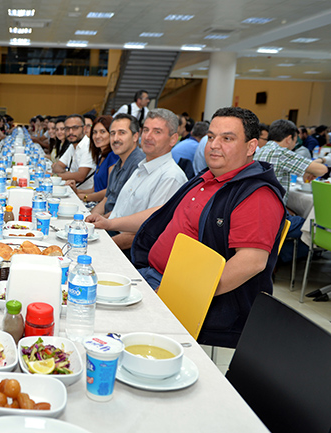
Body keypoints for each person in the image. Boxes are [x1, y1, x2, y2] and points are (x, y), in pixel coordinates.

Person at [110, 107, 286, 348]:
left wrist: (179, 295)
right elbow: (162, 213)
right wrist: (110, 224)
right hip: (152, 275)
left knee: (103, 328)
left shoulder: (256, 195)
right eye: (211, 137)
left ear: (251, 147)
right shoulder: (207, 177)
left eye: (227, 138)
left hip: (193, 303)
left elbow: (252, 262)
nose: (214, 145)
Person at [87, 108, 187, 250]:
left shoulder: (170, 177)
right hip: (112, 235)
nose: (148, 136)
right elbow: (120, 212)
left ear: (173, 139)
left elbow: (147, 231)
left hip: (129, 250)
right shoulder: (142, 167)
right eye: (146, 130)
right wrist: (97, 222)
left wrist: (102, 246)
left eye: (157, 132)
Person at [253, 119, 328, 263]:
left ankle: (276, 255)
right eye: (295, 139)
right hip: (272, 218)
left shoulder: (262, 150)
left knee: (297, 215)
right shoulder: (281, 152)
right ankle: (280, 257)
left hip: (259, 212)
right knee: (312, 227)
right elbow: (322, 170)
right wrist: (322, 161)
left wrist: (308, 169)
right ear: (289, 139)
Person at [90, 113, 146, 217]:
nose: (115, 139)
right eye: (112, 133)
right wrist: (89, 219)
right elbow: (106, 200)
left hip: (117, 224)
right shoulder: (118, 163)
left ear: (135, 136)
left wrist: (100, 221)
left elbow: (126, 211)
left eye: (122, 133)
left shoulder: (139, 166)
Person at [66, 115, 119, 203]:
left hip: (103, 206)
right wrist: (75, 190)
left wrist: (84, 197)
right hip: (95, 202)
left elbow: (109, 191)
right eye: (94, 132)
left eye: (102, 132)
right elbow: (94, 189)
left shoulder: (113, 156)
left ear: (112, 134)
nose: (97, 136)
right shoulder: (101, 156)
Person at [51, 114, 96, 190]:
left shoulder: (88, 146)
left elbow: (80, 176)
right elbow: (57, 166)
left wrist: (54, 176)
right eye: (67, 128)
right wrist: (67, 174)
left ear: (84, 128)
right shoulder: (72, 145)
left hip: (84, 193)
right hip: (71, 189)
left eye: (75, 128)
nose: (70, 132)